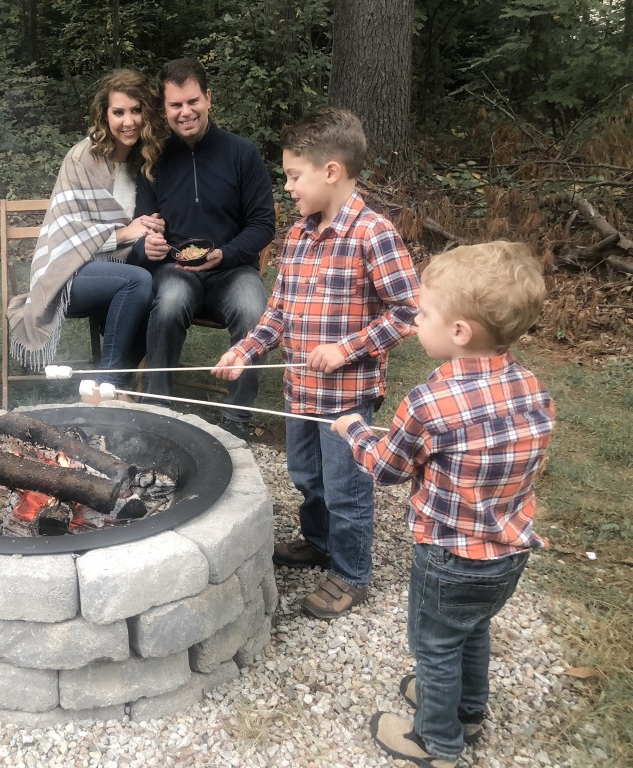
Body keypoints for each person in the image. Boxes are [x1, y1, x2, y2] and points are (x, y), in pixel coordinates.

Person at [331, 242, 555, 768]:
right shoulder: (531, 389)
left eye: (423, 313)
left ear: (460, 332)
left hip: (449, 558)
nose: (413, 322)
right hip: (507, 554)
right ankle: (469, 708)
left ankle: (437, 741)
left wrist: (355, 430)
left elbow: (386, 468)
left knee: (434, 646)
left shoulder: (428, 402)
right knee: (473, 629)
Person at [212, 108, 419, 619]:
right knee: (307, 477)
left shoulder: (373, 234)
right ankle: (320, 544)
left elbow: (411, 311)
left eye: (293, 175)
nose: (287, 187)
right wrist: (246, 349)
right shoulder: (301, 235)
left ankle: (351, 573)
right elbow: (278, 312)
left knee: (346, 489)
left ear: (331, 171)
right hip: (299, 392)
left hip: (345, 400)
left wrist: (348, 349)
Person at [129, 58, 275, 436]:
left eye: (192, 101)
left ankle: (237, 417)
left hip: (232, 267)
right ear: (164, 109)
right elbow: (142, 231)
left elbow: (263, 225)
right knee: (171, 301)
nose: (185, 112)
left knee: (253, 308)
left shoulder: (242, 153)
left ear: (208, 99)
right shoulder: (154, 160)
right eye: (175, 105)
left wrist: (225, 254)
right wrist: (152, 248)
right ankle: (158, 408)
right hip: (177, 270)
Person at [7, 68, 167, 390]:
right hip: (69, 272)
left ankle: (126, 380)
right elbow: (67, 233)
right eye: (118, 112)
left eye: (136, 111)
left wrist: (150, 230)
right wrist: (124, 234)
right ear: (104, 114)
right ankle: (107, 385)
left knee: (159, 287)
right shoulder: (82, 159)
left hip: (116, 269)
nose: (128, 121)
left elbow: (143, 224)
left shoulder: (147, 159)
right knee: (137, 283)